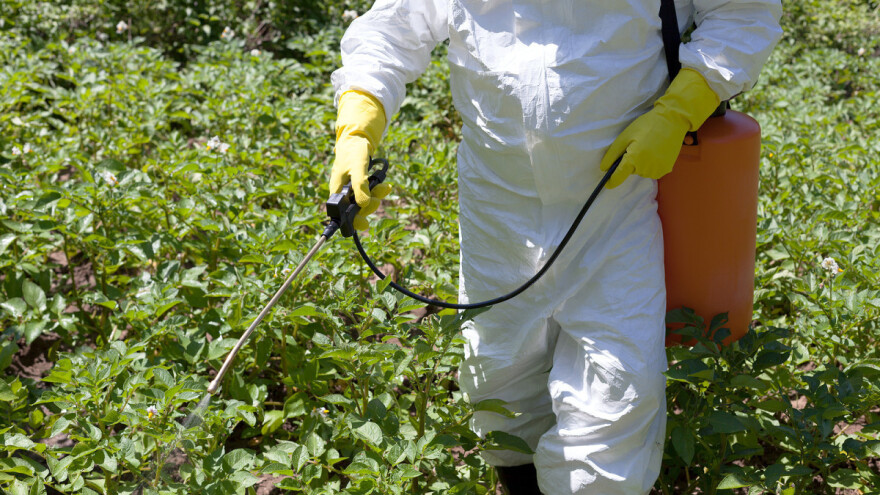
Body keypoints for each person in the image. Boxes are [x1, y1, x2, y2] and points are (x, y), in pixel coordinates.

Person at [328, 1, 782, 493]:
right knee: (498, 377)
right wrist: (360, 119)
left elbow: (742, 11)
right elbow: (396, 25)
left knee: (618, 390)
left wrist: (680, 108)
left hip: (616, 202)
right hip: (497, 205)